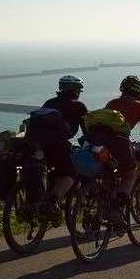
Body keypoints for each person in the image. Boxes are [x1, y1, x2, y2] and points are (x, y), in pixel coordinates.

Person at [93, 75, 140, 228]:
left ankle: (100, 209)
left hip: (101, 144)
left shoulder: (112, 102)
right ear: (139, 92)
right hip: (120, 143)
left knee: (110, 174)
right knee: (130, 174)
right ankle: (117, 210)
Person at [25, 75, 87, 219]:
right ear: (75, 90)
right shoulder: (78, 106)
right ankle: (51, 202)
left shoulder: (49, 102)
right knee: (70, 174)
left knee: (49, 169)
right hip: (57, 144)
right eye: (79, 89)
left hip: (36, 144)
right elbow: (87, 132)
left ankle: (38, 201)